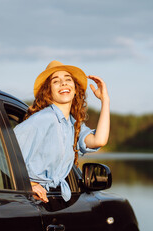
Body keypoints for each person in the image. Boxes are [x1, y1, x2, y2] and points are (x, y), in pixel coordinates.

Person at [14, 60, 110, 203]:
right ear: (48, 91)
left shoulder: (73, 125)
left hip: (55, 197)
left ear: (75, 88)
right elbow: (4, 149)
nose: (63, 83)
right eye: (56, 81)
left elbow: (99, 140)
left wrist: (105, 100)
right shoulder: (44, 118)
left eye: (67, 79)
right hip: (31, 198)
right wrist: (30, 184)